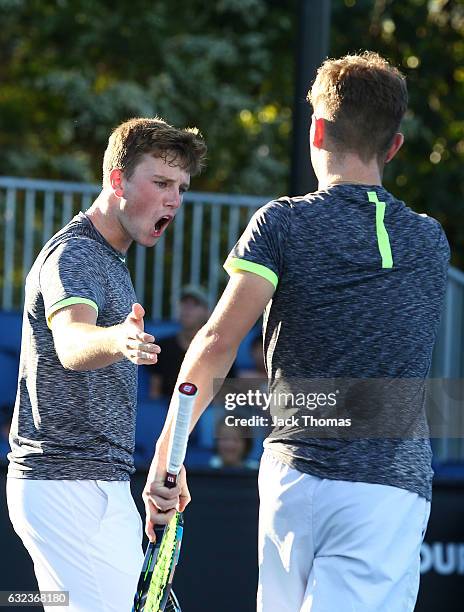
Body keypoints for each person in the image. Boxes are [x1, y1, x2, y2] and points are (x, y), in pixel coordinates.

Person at [143, 53, 449, 612]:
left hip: (292, 482)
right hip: (386, 491)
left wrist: (170, 452)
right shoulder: (430, 242)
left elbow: (214, 343)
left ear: (316, 129)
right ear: (396, 146)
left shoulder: (281, 223)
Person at [6, 117, 206, 611]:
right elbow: (71, 341)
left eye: (180, 187)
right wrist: (118, 339)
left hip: (82, 484)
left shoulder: (109, 261)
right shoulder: (74, 254)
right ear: (117, 180)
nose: (173, 200)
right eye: (160, 183)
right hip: (69, 486)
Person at [149, 284, 210, 398]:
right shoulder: (162, 347)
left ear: (207, 312)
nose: (187, 309)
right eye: (184, 303)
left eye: (195, 304)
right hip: (168, 412)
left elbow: (223, 396)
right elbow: (154, 392)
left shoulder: (217, 349)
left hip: (207, 413)